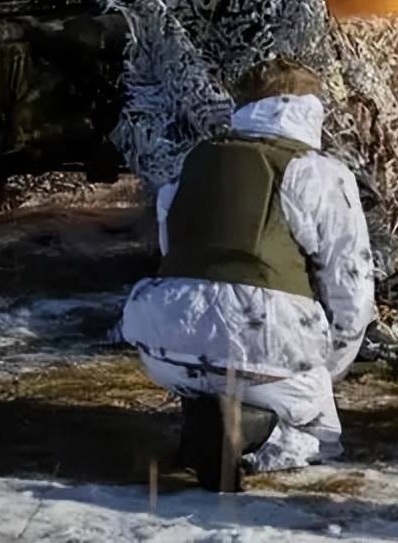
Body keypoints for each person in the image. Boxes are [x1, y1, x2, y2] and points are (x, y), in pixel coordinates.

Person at [121, 57, 376, 491]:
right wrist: (328, 367)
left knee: (212, 372)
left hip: (164, 344)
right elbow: (350, 279)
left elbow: (174, 249)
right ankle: (248, 435)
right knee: (318, 432)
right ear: (310, 110)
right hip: (266, 348)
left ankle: (203, 418)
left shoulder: (195, 162)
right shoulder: (320, 173)